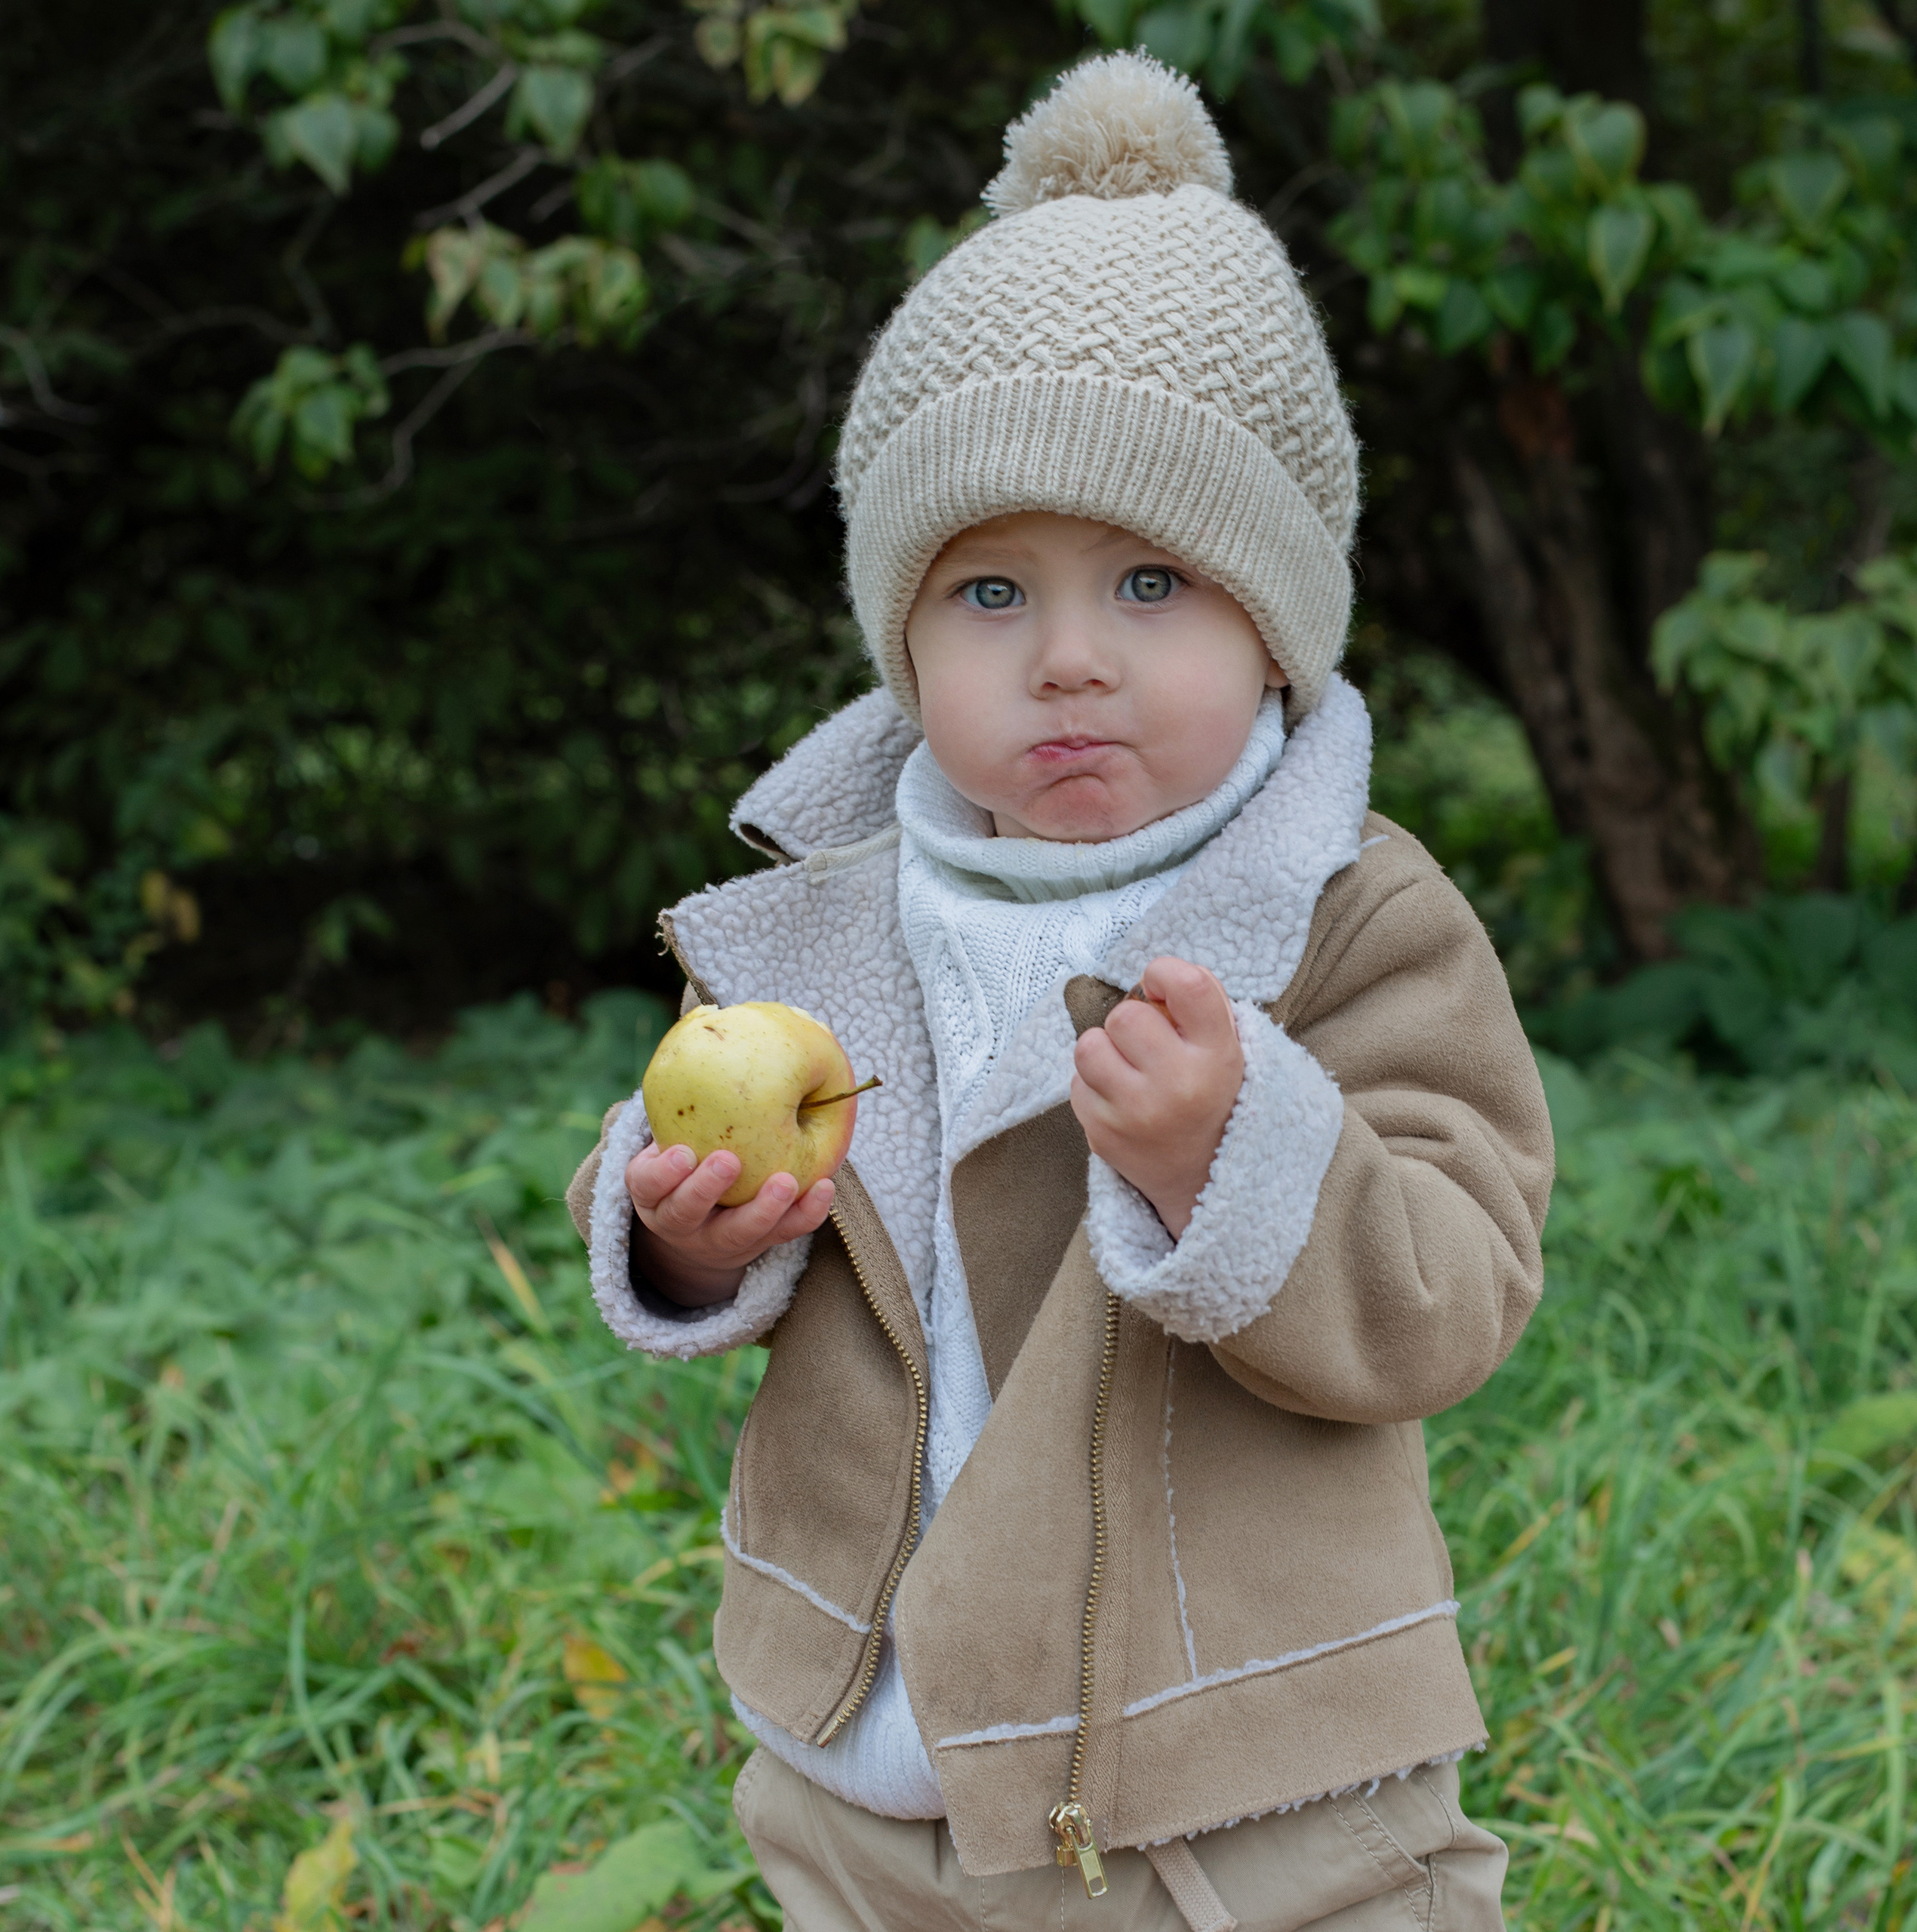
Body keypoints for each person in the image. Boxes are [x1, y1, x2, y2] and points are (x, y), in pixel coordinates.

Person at [566, 51, 1552, 1932]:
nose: (1072, 658)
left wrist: (1242, 1150)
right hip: (875, 1770)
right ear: (902, 633)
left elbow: (1454, 1280)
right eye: (990, 594)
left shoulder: (1345, 915)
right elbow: (726, 1190)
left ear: (1274, 614)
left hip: (1237, 1783)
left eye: (1152, 580)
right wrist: (688, 1234)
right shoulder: (836, 912)